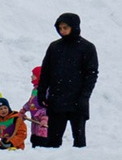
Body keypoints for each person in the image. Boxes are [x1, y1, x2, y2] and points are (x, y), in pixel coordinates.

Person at [36, 14, 99, 148]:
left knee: (79, 139)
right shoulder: (54, 47)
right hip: (57, 99)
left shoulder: (87, 47)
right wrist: (41, 92)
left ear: (74, 27)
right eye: (60, 28)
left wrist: (84, 96)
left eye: (65, 27)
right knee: (53, 140)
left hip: (77, 99)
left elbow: (91, 74)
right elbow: (46, 71)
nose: (62, 31)